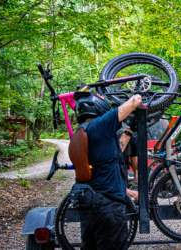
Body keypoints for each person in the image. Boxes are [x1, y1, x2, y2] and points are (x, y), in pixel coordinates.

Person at [69, 91, 142, 250]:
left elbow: (116, 151)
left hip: (89, 205)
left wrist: (129, 130)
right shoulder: (101, 124)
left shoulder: (81, 132)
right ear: (98, 106)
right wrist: (140, 90)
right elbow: (135, 100)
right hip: (109, 206)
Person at [117, 130, 139, 202]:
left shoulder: (132, 139)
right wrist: (129, 192)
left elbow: (136, 170)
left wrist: (142, 193)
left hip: (123, 168)